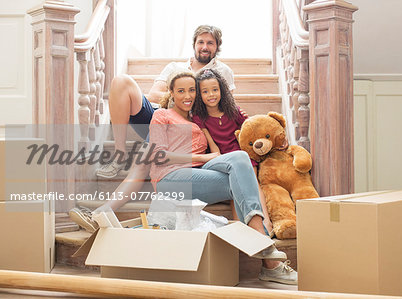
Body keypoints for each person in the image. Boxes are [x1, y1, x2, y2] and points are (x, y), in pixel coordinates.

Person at [71, 71, 297, 285]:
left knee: (239, 160)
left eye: (192, 90)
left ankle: (265, 253)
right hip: (170, 178)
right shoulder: (161, 115)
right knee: (240, 177)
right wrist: (202, 155)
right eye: (181, 91)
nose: (187, 95)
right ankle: (265, 249)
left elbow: (221, 148)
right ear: (172, 93)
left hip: (199, 174)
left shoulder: (199, 122)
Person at [96, 24, 235, 178]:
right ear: (194, 44)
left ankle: (141, 168)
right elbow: (154, 95)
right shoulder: (175, 67)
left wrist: (180, 94)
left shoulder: (223, 72)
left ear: (217, 47)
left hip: (193, 127)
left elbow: (225, 106)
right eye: (201, 42)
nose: (205, 47)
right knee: (121, 81)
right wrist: (189, 98)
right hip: (160, 116)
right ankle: (119, 155)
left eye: (210, 43)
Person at [191, 68, 273, 234]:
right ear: (199, 95)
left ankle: (267, 224)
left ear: (222, 90)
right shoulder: (199, 116)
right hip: (219, 158)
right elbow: (212, 146)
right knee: (233, 188)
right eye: (205, 91)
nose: (211, 95)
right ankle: (242, 229)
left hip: (241, 154)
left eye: (215, 90)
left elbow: (251, 127)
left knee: (252, 184)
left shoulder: (232, 110)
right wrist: (221, 159)